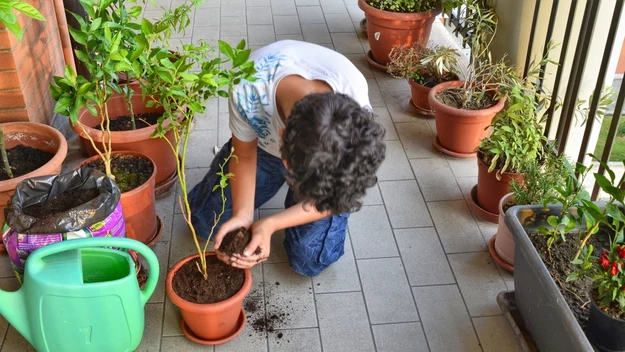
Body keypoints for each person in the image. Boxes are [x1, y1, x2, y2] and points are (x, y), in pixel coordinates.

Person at [188, 40, 386, 276]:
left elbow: (339, 191)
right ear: (282, 142)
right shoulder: (248, 86)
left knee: (308, 261)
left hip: (313, 159)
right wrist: (243, 215)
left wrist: (269, 224)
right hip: (261, 148)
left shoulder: (353, 103)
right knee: (202, 221)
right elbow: (244, 153)